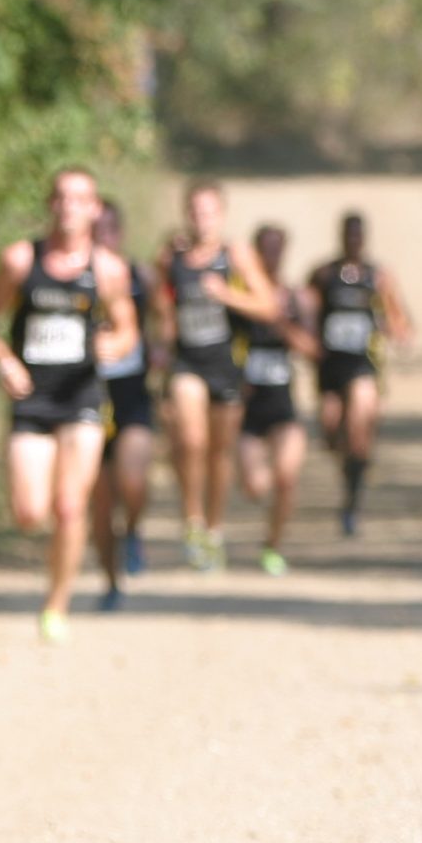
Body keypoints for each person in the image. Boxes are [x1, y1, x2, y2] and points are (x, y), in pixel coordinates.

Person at [0, 167, 140, 644]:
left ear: (94, 209)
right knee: (30, 512)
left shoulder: (108, 269)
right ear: (50, 204)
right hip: (32, 401)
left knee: (70, 506)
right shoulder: (19, 261)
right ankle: (56, 580)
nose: (69, 208)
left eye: (80, 199)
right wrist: (4, 359)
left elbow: (128, 325)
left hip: (81, 400)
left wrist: (118, 343)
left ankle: (56, 603)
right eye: (62, 198)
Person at [153, 179, 277, 572]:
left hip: (225, 364)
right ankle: (191, 520)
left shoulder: (235, 254)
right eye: (195, 212)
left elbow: (269, 306)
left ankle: (215, 527)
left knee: (219, 453)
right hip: (187, 363)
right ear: (185, 214)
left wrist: (226, 295)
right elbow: (161, 304)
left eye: (209, 212)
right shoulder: (170, 255)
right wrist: (163, 337)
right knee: (191, 440)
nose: (202, 220)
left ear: (222, 215)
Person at [307, 211, 414, 537]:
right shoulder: (323, 275)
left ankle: (352, 502)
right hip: (330, 366)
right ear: (341, 236)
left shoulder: (377, 276)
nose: (353, 240)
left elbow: (401, 322)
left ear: (364, 239)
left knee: (358, 432)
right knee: (330, 431)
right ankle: (350, 469)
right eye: (348, 234)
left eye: (358, 235)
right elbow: (308, 313)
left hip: (363, 364)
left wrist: (393, 329)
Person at [236, 224, 316, 575]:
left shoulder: (297, 298)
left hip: (283, 407)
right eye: (264, 248)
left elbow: (314, 349)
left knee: (287, 477)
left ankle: (273, 545)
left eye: (277, 248)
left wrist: (280, 322)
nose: (271, 255)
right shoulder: (239, 299)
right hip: (247, 411)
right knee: (256, 486)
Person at [90, 199, 158, 611]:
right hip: (85, 399)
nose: (103, 235)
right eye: (97, 227)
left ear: (121, 232)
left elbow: (162, 320)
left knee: (132, 482)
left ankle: (133, 530)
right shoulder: (69, 275)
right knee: (99, 505)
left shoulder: (138, 275)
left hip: (130, 394)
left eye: (110, 227)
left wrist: (162, 350)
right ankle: (111, 581)